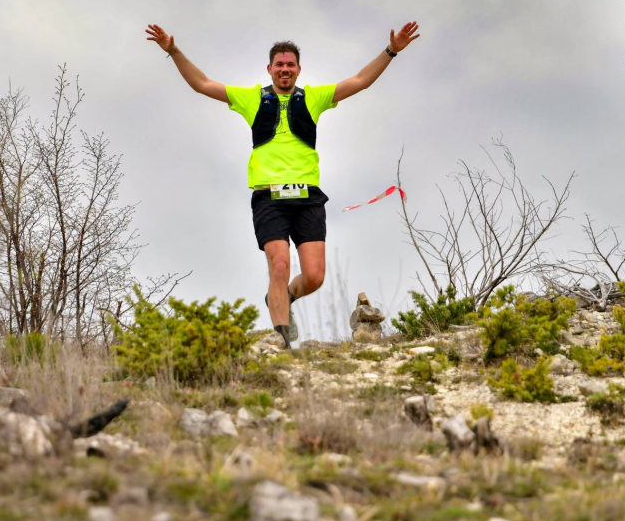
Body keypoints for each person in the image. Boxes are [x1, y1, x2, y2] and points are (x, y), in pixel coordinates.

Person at [145, 22, 421, 348]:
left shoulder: (314, 98)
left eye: (290, 65)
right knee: (279, 265)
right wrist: (174, 51)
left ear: (299, 69)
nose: (285, 69)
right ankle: (281, 341)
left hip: (308, 198)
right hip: (268, 197)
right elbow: (202, 84)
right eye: (280, 65)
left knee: (315, 276)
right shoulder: (252, 99)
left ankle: (284, 298)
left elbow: (360, 82)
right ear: (270, 69)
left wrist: (391, 51)